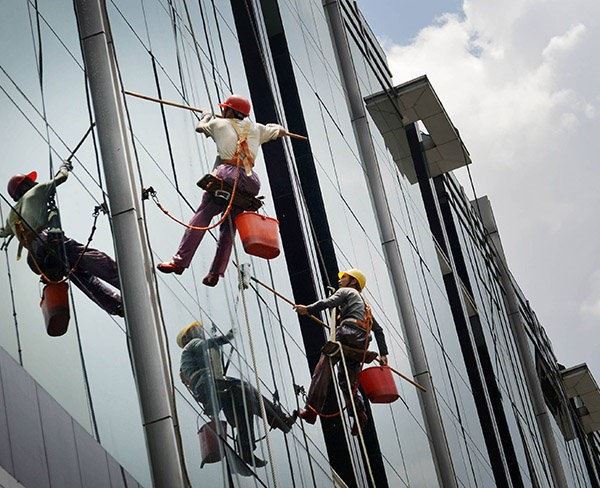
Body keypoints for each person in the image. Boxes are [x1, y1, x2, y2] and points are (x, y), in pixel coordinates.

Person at [157, 94, 286, 287]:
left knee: (203, 214)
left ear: (229, 110)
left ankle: (179, 262)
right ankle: (216, 273)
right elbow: (280, 131)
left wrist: (206, 115)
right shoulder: (257, 129)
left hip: (228, 174)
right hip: (251, 182)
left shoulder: (219, 124)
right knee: (229, 227)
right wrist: (272, 127)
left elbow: (200, 127)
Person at [0, 163, 123, 316]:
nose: (34, 182)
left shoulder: (11, 216)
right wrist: (65, 166)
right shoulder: (36, 191)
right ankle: (125, 279)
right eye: (30, 181)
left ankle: (115, 305)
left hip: (37, 258)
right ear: (25, 186)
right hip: (48, 240)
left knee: (79, 276)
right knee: (90, 257)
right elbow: (61, 177)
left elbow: (2, 232)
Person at [177, 321, 296, 467]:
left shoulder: (193, 353)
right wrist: (227, 337)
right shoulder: (192, 344)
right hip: (208, 384)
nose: (200, 331)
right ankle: (280, 420)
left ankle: (246, 450)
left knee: (244, 408)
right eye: (196, 329)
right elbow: (208, 344)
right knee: (247, 390)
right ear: (188, 337)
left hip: (208, 386)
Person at [293, 268, 388, 435]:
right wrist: (383, 354)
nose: (339, 280)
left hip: (347, 333)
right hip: (361, 344)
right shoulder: (365, 307)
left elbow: (328, 303)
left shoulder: (347, 291)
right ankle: (359, 414)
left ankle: (311, 410)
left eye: (343, 277)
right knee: (346, 381)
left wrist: (307, 309)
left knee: (323, 367)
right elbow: (378, 331)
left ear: (353, 281)